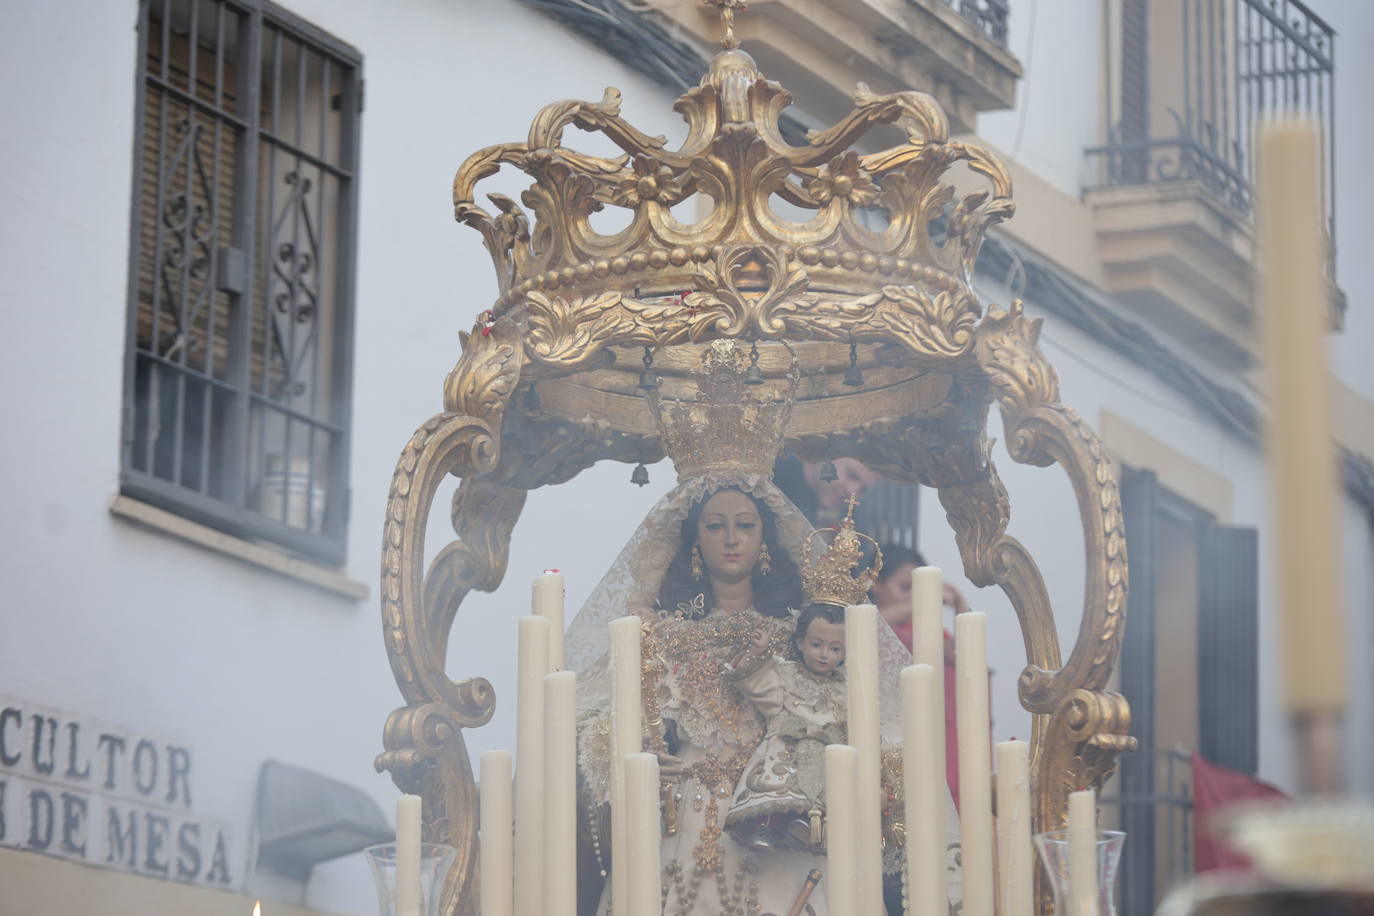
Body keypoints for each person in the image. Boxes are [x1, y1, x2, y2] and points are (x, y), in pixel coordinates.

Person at [565, 342, 957, 916]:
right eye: (715, 526)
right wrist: (635, 755)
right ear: (693, 540)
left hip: (777, 820)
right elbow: (594, 721)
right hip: (682, 822)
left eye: (745, 525)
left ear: (765, 538)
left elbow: (853, 718)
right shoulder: (655, 633)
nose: (731, 539)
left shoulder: (798, 633)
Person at [869, 544, 970, 808]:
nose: (912, 597)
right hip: (890, 734)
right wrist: (923, 598)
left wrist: (960, 602)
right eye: (905, 587)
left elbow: (962, 653)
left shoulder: (922, 627)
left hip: (937, 725)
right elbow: (870, 623)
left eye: (918, 589)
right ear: (875, 584)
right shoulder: (868, 621)